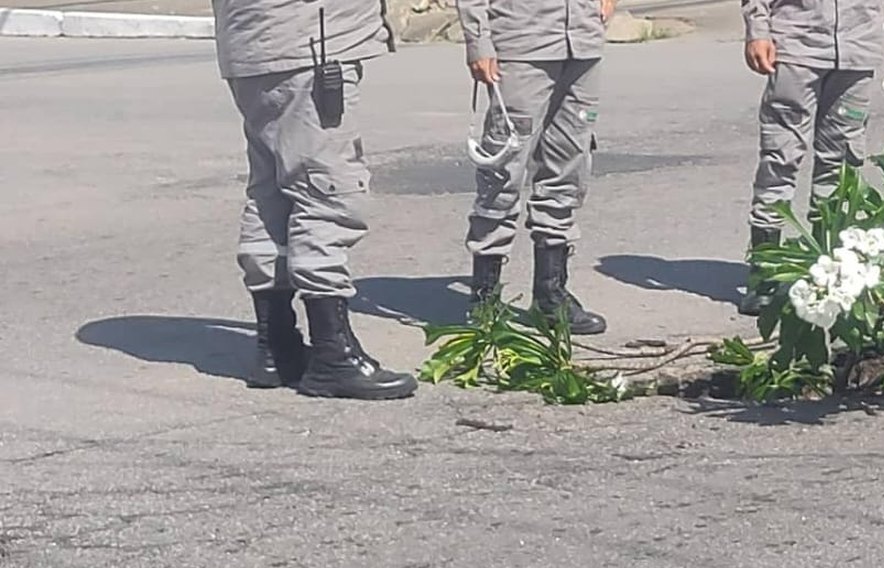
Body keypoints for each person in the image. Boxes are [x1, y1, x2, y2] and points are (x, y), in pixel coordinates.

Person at [212, 0, 418, 400]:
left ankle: (276, 347)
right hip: (310, 40)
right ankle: (333, 354)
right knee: (328, 192)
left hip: (252, 43)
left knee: (271, 193)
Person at [737, 0, 884, 316]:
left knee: (841, 163)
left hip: (857, 50)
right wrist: (758, 30)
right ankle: (764, 272)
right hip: (795, 47)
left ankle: (828, 269)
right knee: (780, 159)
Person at [455, 0, 618, 336]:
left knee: (569, 168)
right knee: (502, 172)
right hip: (521, 42)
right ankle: (485, 299)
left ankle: (550, 295)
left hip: (582, 42)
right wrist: (478, 40)